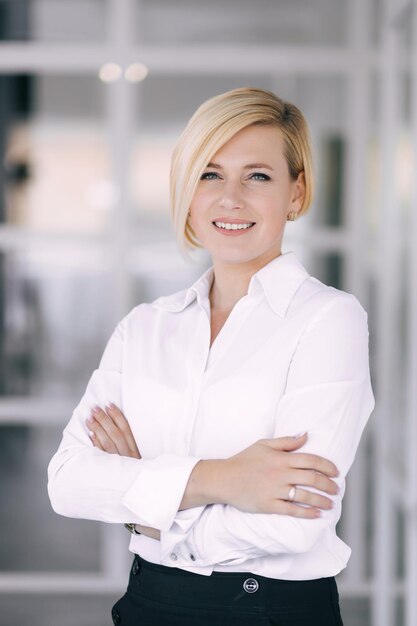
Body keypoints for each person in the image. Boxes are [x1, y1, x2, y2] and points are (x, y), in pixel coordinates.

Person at [48, 87, 375, 626]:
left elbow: (296, 522)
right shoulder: (145, 328)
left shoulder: (329, 319)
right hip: (146, 601)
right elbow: (68, 482)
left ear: (296, 194)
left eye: (258, 176)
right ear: (187, 191)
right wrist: (221, 479)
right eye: (209, 173)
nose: (231, 198)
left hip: (267, 609)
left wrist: (147, 511)